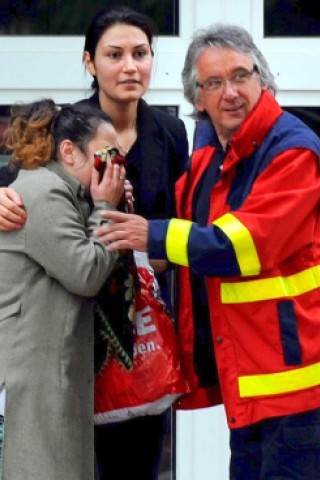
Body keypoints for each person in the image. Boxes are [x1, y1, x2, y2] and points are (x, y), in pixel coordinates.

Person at [93, 24, 320, 480]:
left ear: (263, 79)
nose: (230, 92)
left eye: (240, 75)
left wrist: (150, 235)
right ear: (198, 98)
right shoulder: (209, 157)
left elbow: (241, 246)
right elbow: (177, 225)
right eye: (214, 83)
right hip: (253, 378)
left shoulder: (292, 151)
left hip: (297, 386)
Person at [0, 7, 189, 480]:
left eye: (141, 53)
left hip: (142, 317)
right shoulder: (72, 129)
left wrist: (155, 250)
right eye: (115, 54)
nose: (130, 66)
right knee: (77, 455)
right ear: (90, 63)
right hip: (80, 320)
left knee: (141, 453)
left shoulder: (169, 130)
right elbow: (25, 192)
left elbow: (185, 217)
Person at [0, 99, 125, 480]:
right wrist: (105, 207)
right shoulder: (45, 192)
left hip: (41, 371)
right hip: (29, 379)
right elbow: (85, 272)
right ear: (69, 151)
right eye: (106, 157)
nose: (114, 169)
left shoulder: (64, 191)